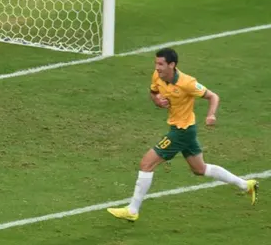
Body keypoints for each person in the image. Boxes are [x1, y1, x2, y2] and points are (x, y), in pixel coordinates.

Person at [107, 48, 258, 222]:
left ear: (172, 65)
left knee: (146, 163)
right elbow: (154, 93)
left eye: (161, 64)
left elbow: (213, 96)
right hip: (184, 129)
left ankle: (132, 210)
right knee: (200, 169)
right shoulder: (157, 76)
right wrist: (157, 101)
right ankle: (246, 185)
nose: (157, 67)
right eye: (156, 63)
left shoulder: (188, 83)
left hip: (182, 131)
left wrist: (211, 115)